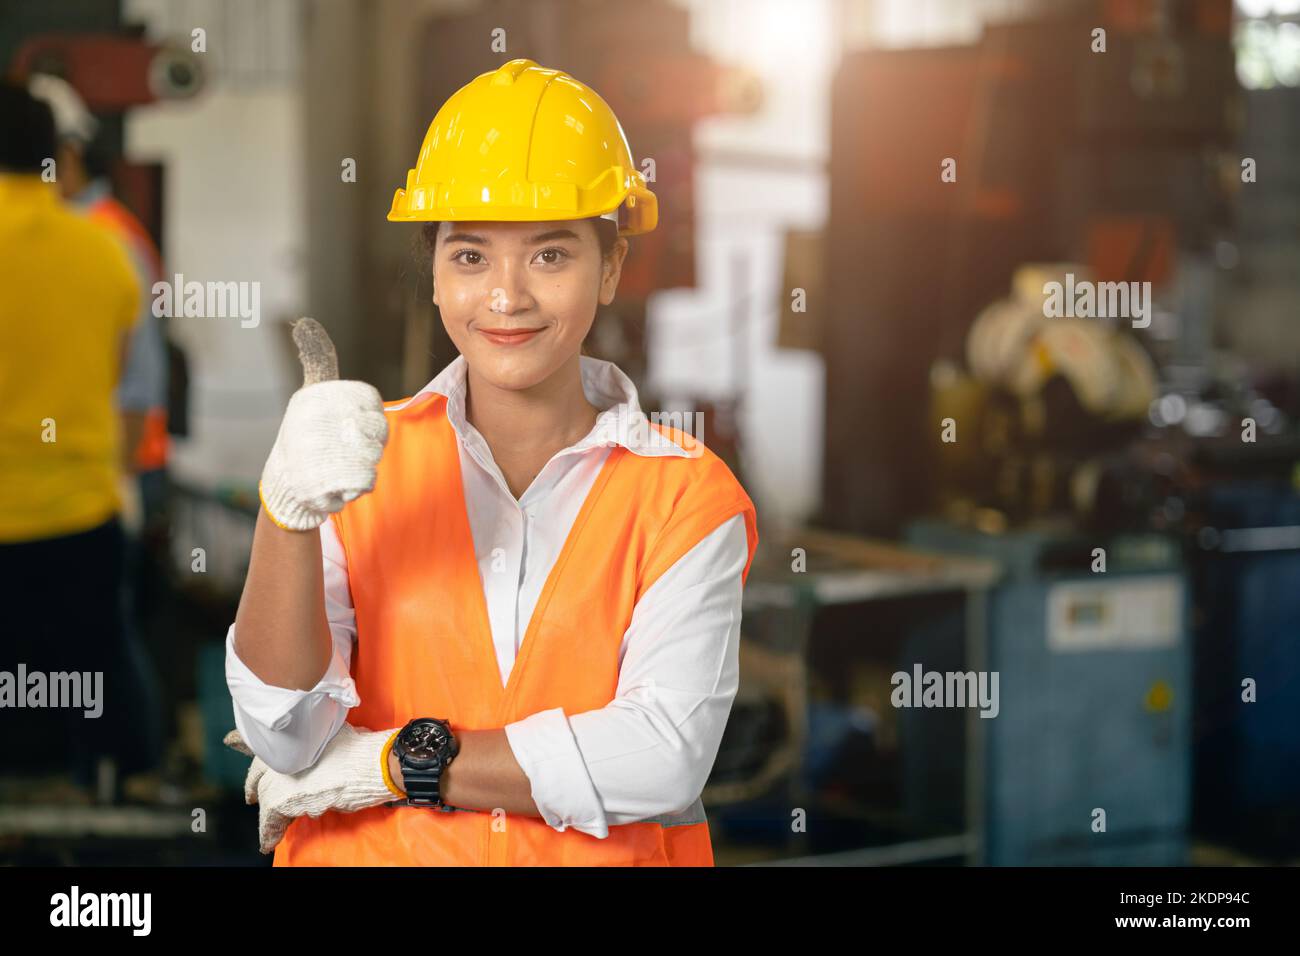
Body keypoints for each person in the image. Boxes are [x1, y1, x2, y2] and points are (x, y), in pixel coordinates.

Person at [225, 59, 758, 866]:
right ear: (434, 274)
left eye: (550, 255)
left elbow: (661, 754)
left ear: (611, 268)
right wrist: (286, 514)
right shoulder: (352, 465)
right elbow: (287, 733)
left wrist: (394, 765)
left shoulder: (685, 497)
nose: (506, 297)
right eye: (470, 256)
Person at [0, 82, 158, 791]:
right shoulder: (106, 253)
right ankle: (106, 806)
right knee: (86, 697)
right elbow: (125, 383)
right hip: (79, 525)